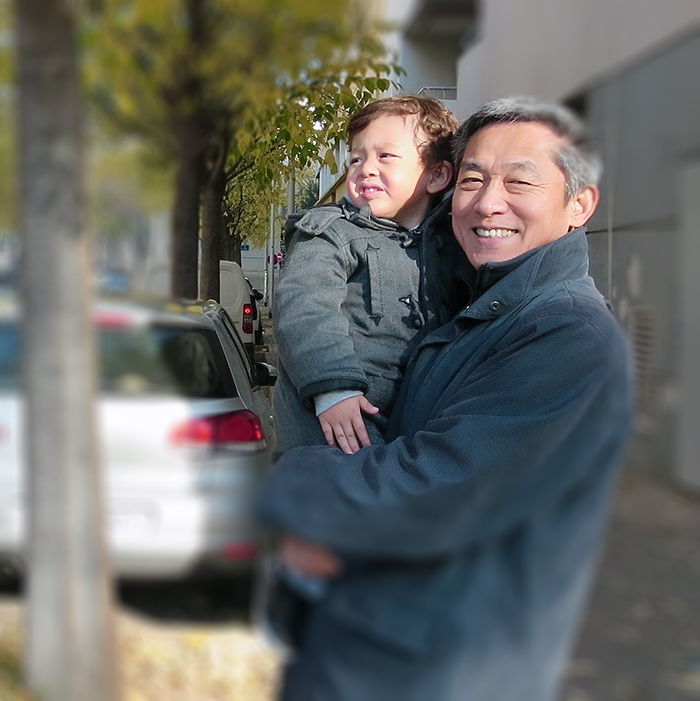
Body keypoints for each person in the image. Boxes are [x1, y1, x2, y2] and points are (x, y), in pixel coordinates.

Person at [257, 96, 634, 701]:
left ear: (579, 205)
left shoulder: (567, 334)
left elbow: (426, 490)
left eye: (519, 182)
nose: (488, 203)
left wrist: (290, 486)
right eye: (474, 180)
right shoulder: (482, 299)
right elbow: (306, 310)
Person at [272, 94, 464, 456]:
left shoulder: (452, 244)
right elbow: (304, 308)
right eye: (356, 158)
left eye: (385, 156)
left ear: (437, 175)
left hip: (410, 416)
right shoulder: (330, 234)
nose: (365, 169)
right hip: (337, 416)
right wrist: (333, 388)